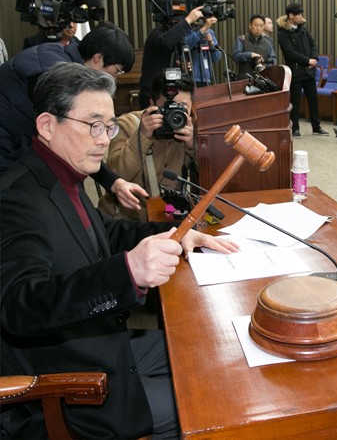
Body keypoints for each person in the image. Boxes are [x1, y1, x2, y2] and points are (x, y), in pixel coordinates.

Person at [0, 62, 238, 439]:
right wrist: (127, 272)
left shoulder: (63, 175)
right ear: (47, 125)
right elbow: (18, 306)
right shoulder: (17, 199)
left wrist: (175, 234)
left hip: (102, 343)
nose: (105, 140)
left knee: (212, 347)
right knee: (218, 398)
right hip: (71, 385)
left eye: (109, 127)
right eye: (94, 125)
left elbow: (105, 234)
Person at [0, 23, 147, 214]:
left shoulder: (65, 56)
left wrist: (114, 182)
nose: (116, 78)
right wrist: (112, 181)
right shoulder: (55, 74)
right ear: (98, 58)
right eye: (117, 71)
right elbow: (71, 144)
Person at [100, 70, 197, 220]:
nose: (174, 113)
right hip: (127, 218)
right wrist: (142, 136)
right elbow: (115, 176)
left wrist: (194, 146)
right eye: (168, 107)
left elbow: (212, 179)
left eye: (182, 106)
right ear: (152, 104)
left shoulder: (190, 128)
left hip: (167, 215)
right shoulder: (128, 124)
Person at [277, 2, 328, 138]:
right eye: (298, 14)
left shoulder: (303, 29)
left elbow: (313, 44)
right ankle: (295, 128)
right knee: (295, 101)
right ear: (291, 15)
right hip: (295, 72)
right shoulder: (283, 33)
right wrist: (307, 61)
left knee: (313, 100)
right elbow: (289, 53)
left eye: (301, 14)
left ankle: (316, 127)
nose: (301, 17)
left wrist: (314, 58)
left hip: (309, 71)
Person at [139, 6, 205, 109]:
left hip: (169, 94)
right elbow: (165, 43)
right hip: (152, 94)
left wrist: (182, 66)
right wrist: (188, 20)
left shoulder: (176, 40)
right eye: (178, 24)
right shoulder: (157, 35)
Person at [183, 15, 222, 87]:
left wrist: (211, 43)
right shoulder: (188, 30)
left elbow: (216, 58)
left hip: (206, 77)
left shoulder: (210, 32)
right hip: (191, 76)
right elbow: (185, 45)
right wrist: (201, 31)